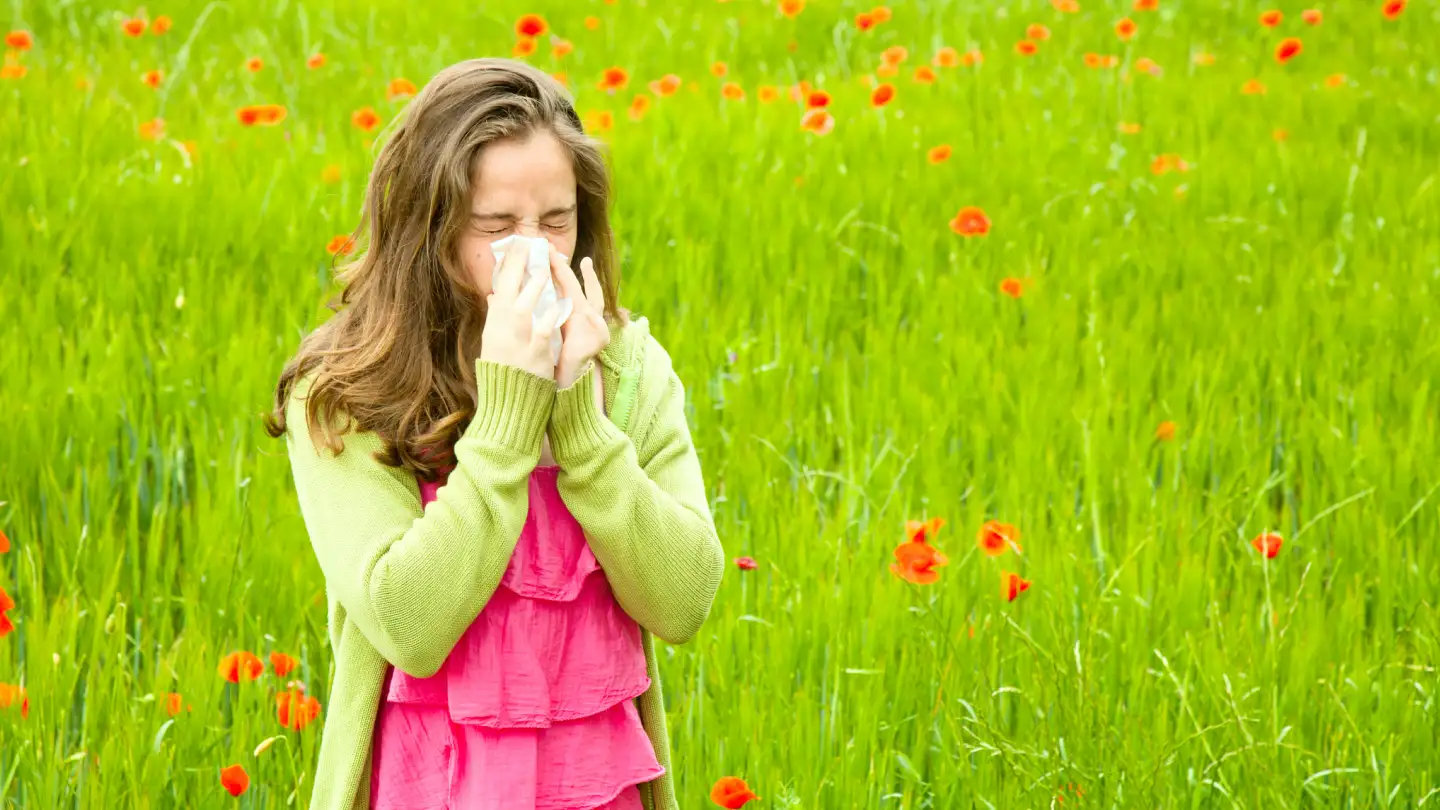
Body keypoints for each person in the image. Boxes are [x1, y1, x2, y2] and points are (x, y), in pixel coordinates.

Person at [264, 57, 724, 810]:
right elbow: (407, 623)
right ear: (430, 229)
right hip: (427, 785)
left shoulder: (629, 369)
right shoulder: (347, 393)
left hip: (595, 786)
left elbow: (684, 600)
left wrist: (578, 421)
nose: (537, 252)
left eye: (556, 220)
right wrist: (509, 418)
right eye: (496, 227)